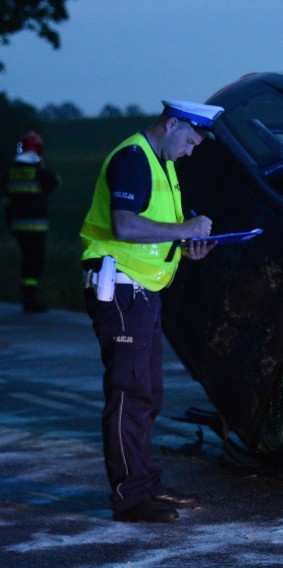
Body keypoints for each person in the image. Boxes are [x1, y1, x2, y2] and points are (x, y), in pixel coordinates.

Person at [79, 99, 223, 522]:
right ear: (173, 123)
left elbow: (155, 235)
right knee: (131, 392)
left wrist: (188, 247)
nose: (190, 151)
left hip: (142, 293)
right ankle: (130, 497)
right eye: (190, 141)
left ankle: (145, 484)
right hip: (122, 291)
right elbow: (124, 225)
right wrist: (184, 230)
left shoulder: (162, 165)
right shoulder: (133, 158)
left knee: (146, 392)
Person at [2, 131, 61, 312]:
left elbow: (6, 201)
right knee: (35, 261)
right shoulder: (39, 172)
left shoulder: (10, 173)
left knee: (28, 260)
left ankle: (28, 295)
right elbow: (55, 181)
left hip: (17, 226)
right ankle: (31, 298)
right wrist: (41, 166)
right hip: (36, 226)